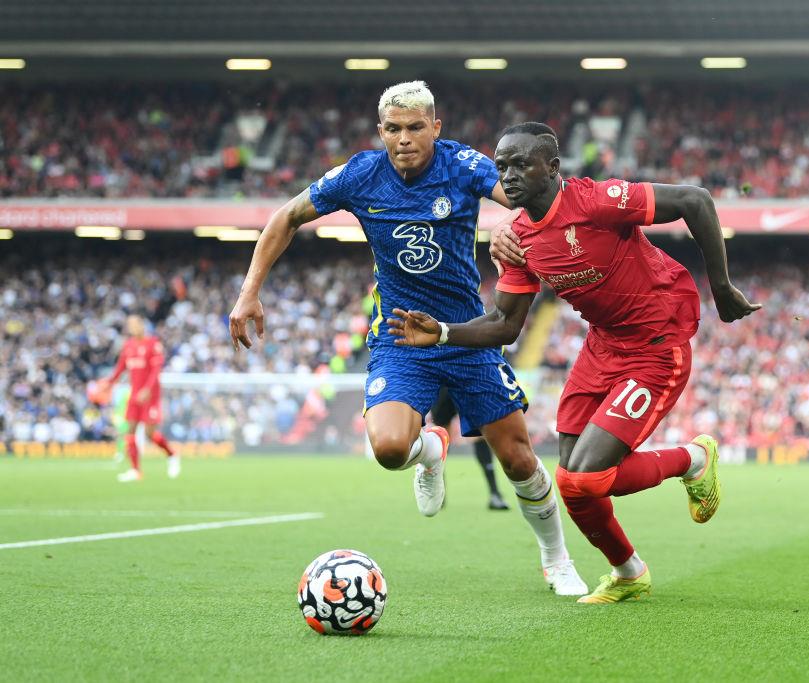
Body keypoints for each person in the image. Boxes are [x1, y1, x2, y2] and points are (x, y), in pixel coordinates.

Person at [229, 83, 586, 596]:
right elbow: (286, 216)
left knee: (518, 459)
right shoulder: (360, 175)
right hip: (400, 337)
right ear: (380, 132)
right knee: (392, 449)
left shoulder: (462, 165)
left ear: (435, 128)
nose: (404, 139)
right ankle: (431, 449)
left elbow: (532, 197)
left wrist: (515, 224)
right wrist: (249, 293)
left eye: (416, 127)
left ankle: (557, 559)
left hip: (468, 335)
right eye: (393, 129)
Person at [387, 122, 761, 604]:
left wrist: (722, 286)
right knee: (572, 482)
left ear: (552, 168)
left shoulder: (597, 201)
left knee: (584, 478)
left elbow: (695, 200)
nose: (509, 175)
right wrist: (441, 332)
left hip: (656, 344)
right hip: (603, 346)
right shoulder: (517, 239)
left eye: (521, 164)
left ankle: (693, 459)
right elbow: (504, 324)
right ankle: (629, 572)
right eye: (501, 167)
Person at [98, 315, 180, 482]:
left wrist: (147, 389)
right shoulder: (128, 346)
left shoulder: (153, 344)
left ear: (142, 325)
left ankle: (172, 455)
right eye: (130, 325)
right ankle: (135, 471)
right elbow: (120, 368)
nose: (133, 328)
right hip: (135, 395)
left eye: (136, 324)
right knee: (130, 432)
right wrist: (109, 383)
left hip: (150, 396)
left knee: (150, 434)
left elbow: (156, 371)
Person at [430, 387, 510, 510]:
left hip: (466, 382)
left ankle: (495, 494)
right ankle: (438, 494)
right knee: (442, 436)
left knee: (479, 431)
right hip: (442, 386)